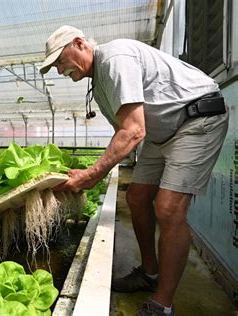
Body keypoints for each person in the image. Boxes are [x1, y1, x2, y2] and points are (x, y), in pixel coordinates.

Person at [40, 25, 229, 316]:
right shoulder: (100, 84)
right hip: (160, 133)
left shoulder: (115, 58)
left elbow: (133, 131)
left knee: (168, 209)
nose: (59, 70)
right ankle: (150, 273)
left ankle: (162, 304)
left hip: (196, 120)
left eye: (60, 61)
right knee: (138, 198)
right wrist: (86, 169)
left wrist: (92, 174)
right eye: (54, 66)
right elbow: (125, 133)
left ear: (79, 43)